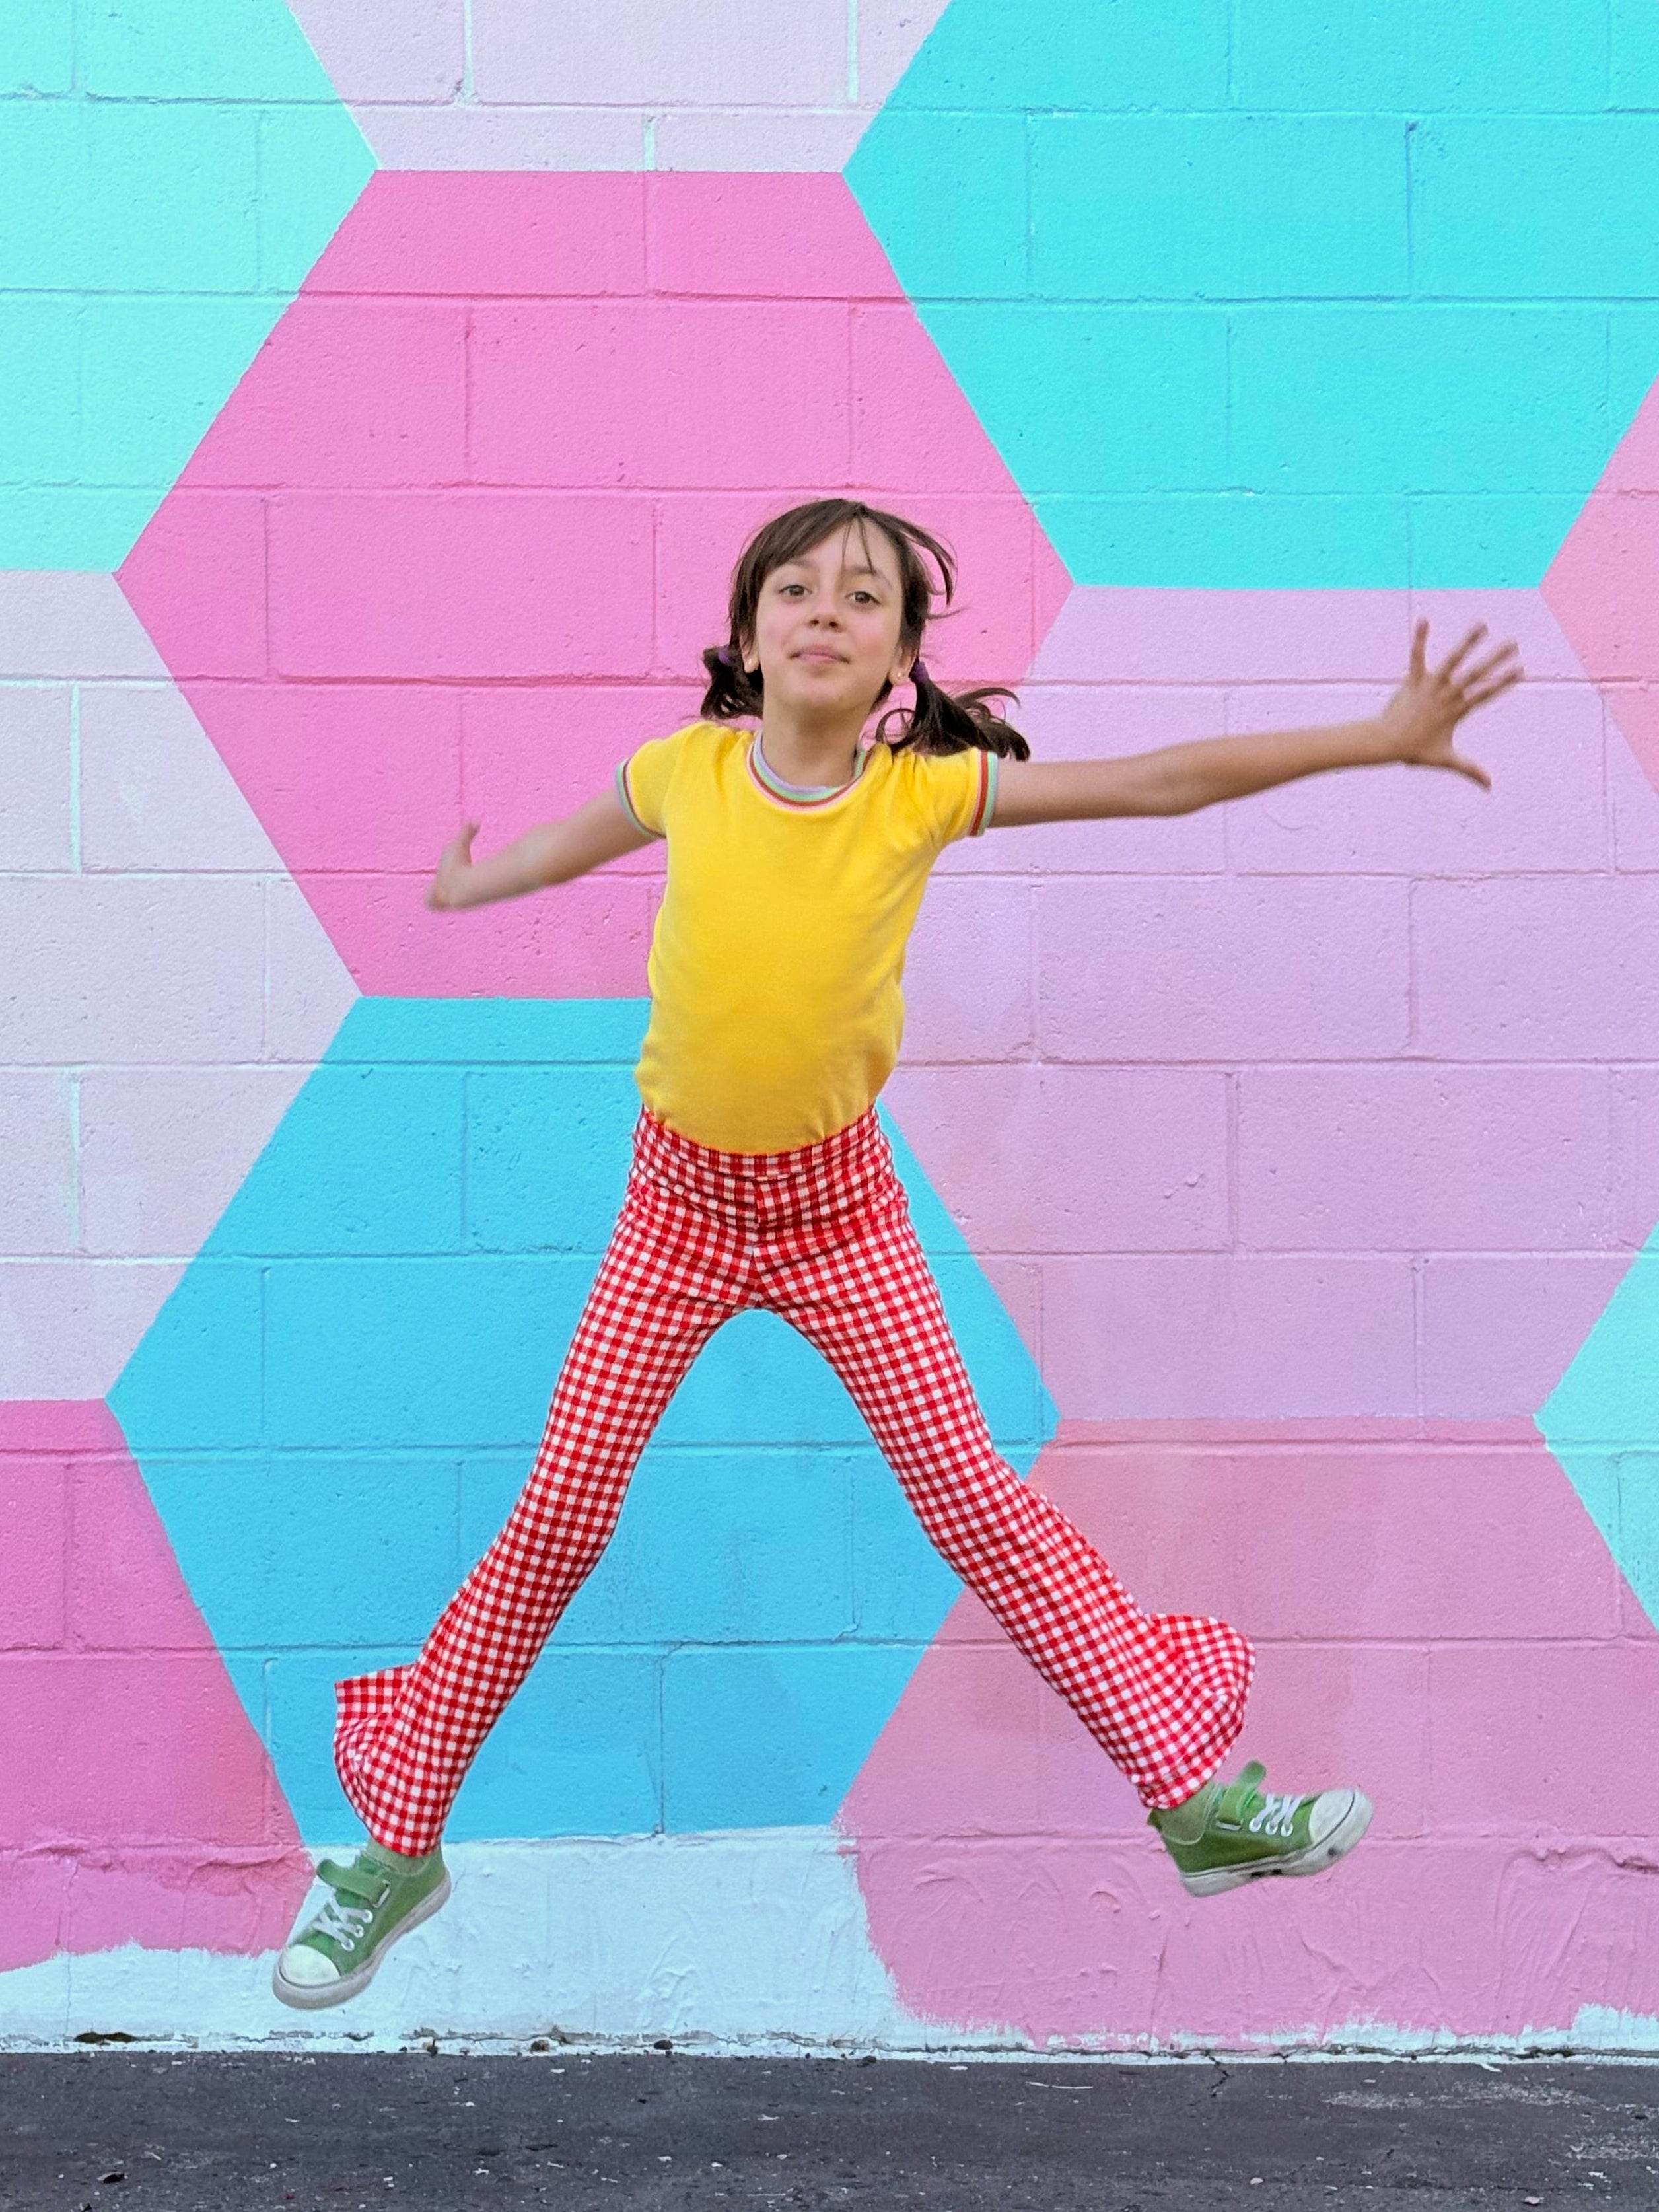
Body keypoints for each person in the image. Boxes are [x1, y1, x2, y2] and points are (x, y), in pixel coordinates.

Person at [272, 499, 1522, 2009]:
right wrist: (480, 879)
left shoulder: (918, 796)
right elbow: (566, 840)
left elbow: (1156, 782)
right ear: (747, 642)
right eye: (794, 589)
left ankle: (1195, 1803)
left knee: (977, 1505)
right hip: (674, 1216)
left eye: (863, 598)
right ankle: (395, 1845)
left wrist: (1372, 737)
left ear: (898, 665)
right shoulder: (685, 773)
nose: (824, 610)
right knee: (558, 1517)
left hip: (841, 1216)